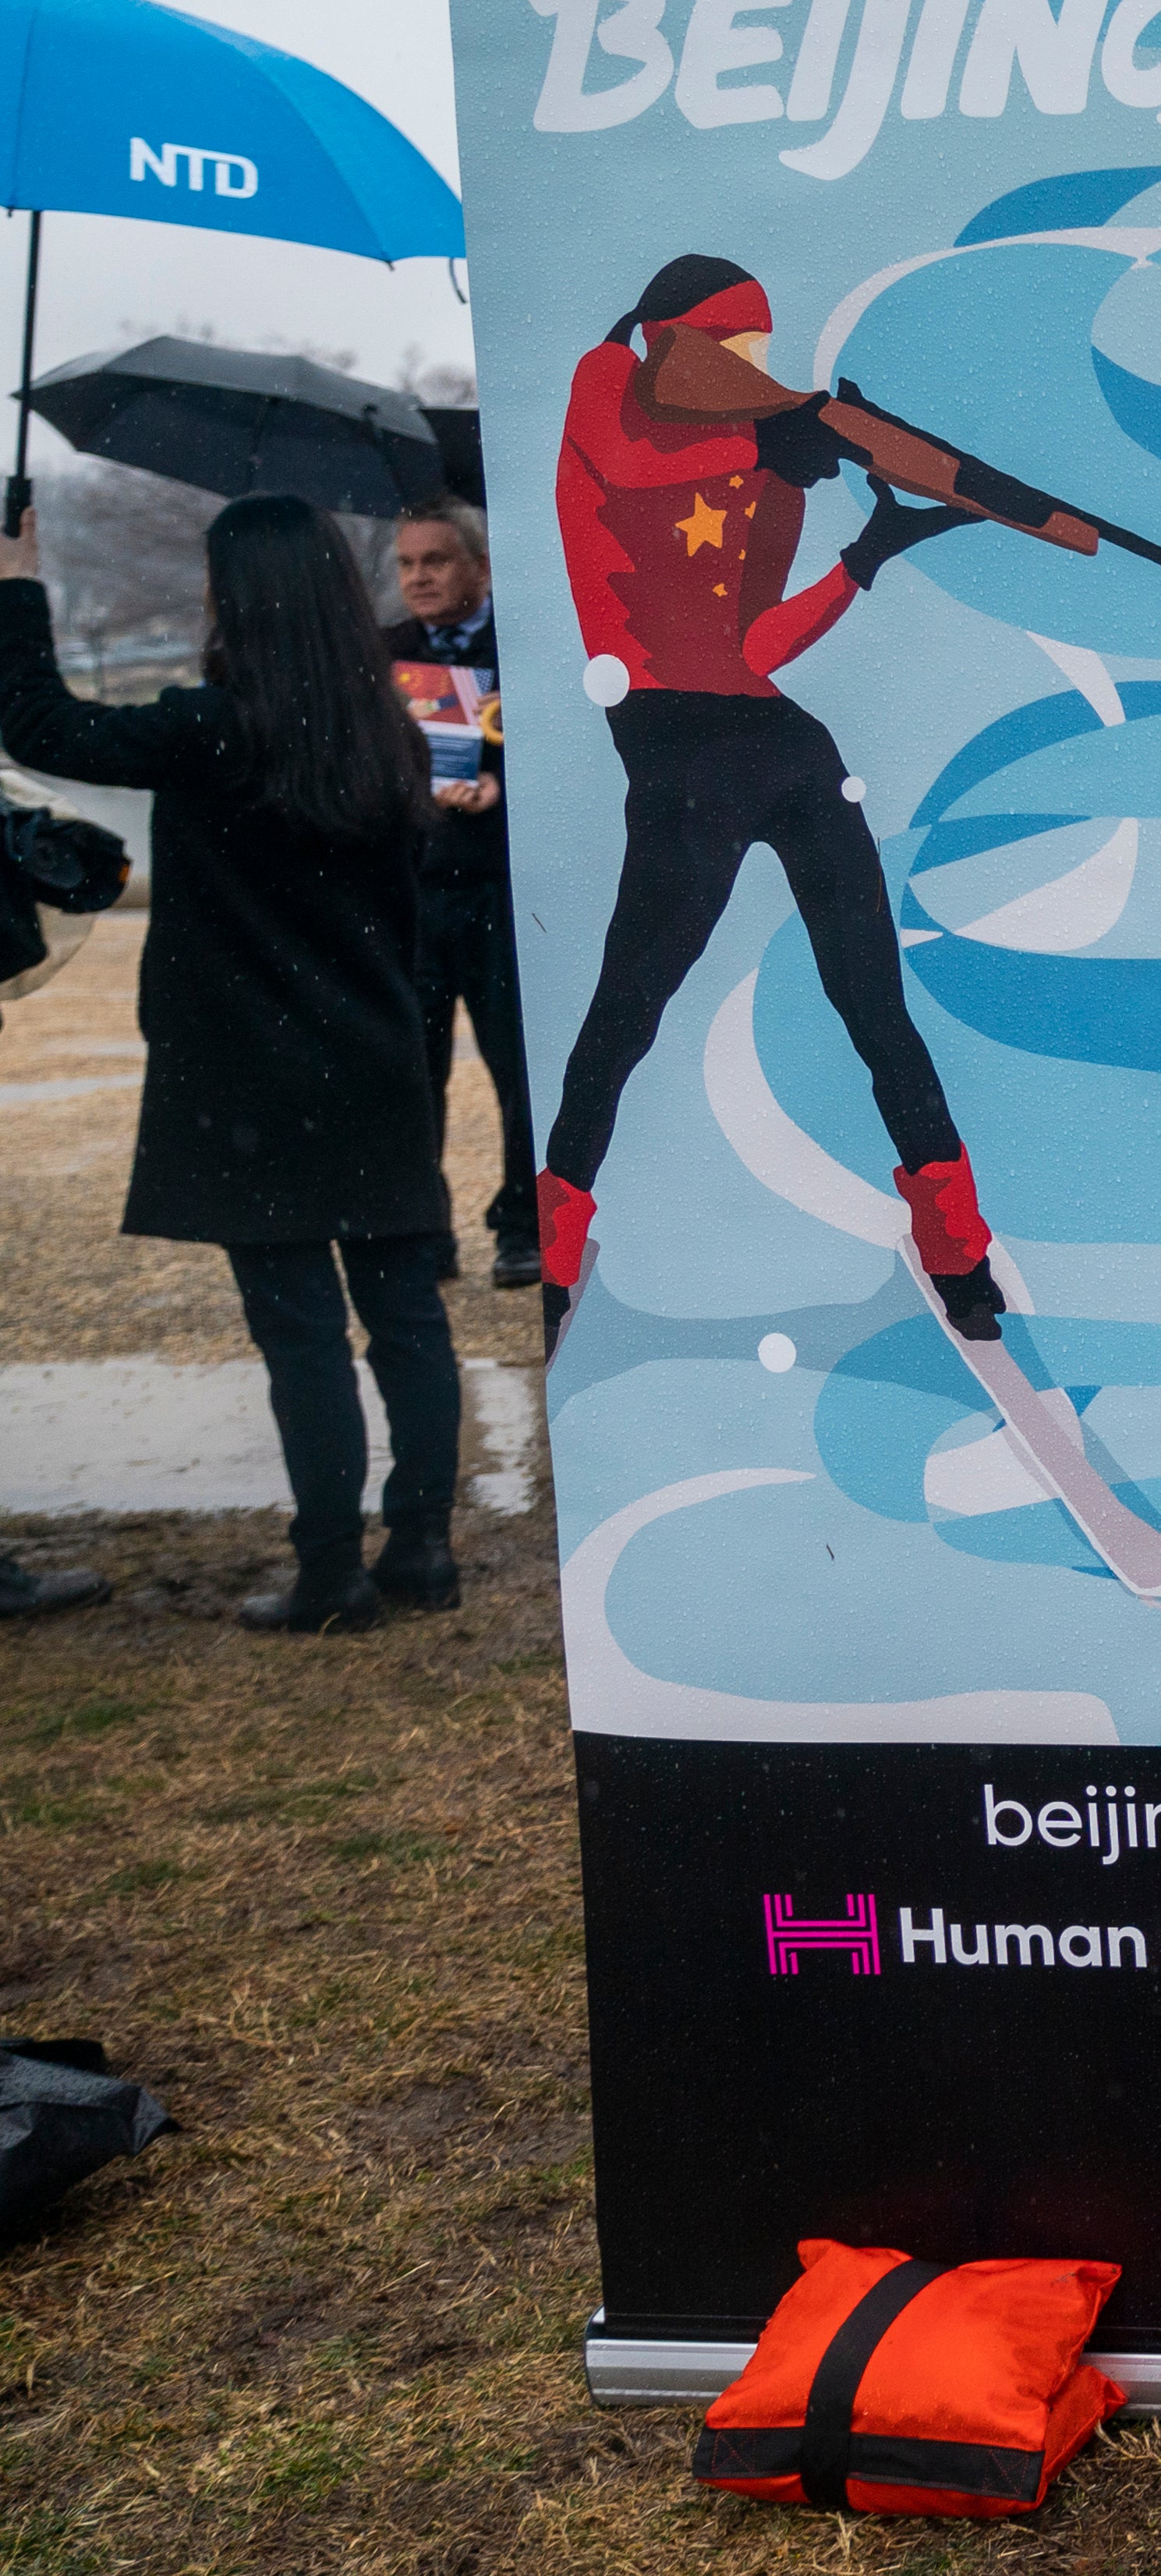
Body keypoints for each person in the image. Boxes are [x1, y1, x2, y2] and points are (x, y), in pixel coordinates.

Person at [0, 493, 458, 1630]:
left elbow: (40, 727)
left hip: (252, 1079)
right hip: (378, 1061)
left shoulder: (209, 729)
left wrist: (19, 582)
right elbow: (405, 919)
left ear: (234, 600)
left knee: (300, 1326)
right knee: (407, 1314)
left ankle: (329, 1572)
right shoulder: (387, 732)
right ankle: (423, 1548)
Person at [535, 254, 1006, 1340]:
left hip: (770, 741)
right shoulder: (605, 384)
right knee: (625, 1008)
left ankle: (960, 1253)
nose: (750, 369)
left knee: (871, 1002)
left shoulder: (743, 465)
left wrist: (863, 555)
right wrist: (781, 430)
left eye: (758, 355)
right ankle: (555, 1251)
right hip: (679, 745)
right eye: (732, 348)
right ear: (671, 337)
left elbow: (754, 647)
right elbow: (629, 453)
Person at [384, 500, 537, 1290]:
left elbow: (566, 757)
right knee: (413, 1073)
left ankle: (523, 1225)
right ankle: (423, 1230)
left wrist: (498, 786)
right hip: (412, 896)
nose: (419, 578)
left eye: (435, 561)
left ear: (477, 567)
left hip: (504, 894)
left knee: (520, 1070)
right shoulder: (380, 655)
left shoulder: (527, 649)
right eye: (407, 564)